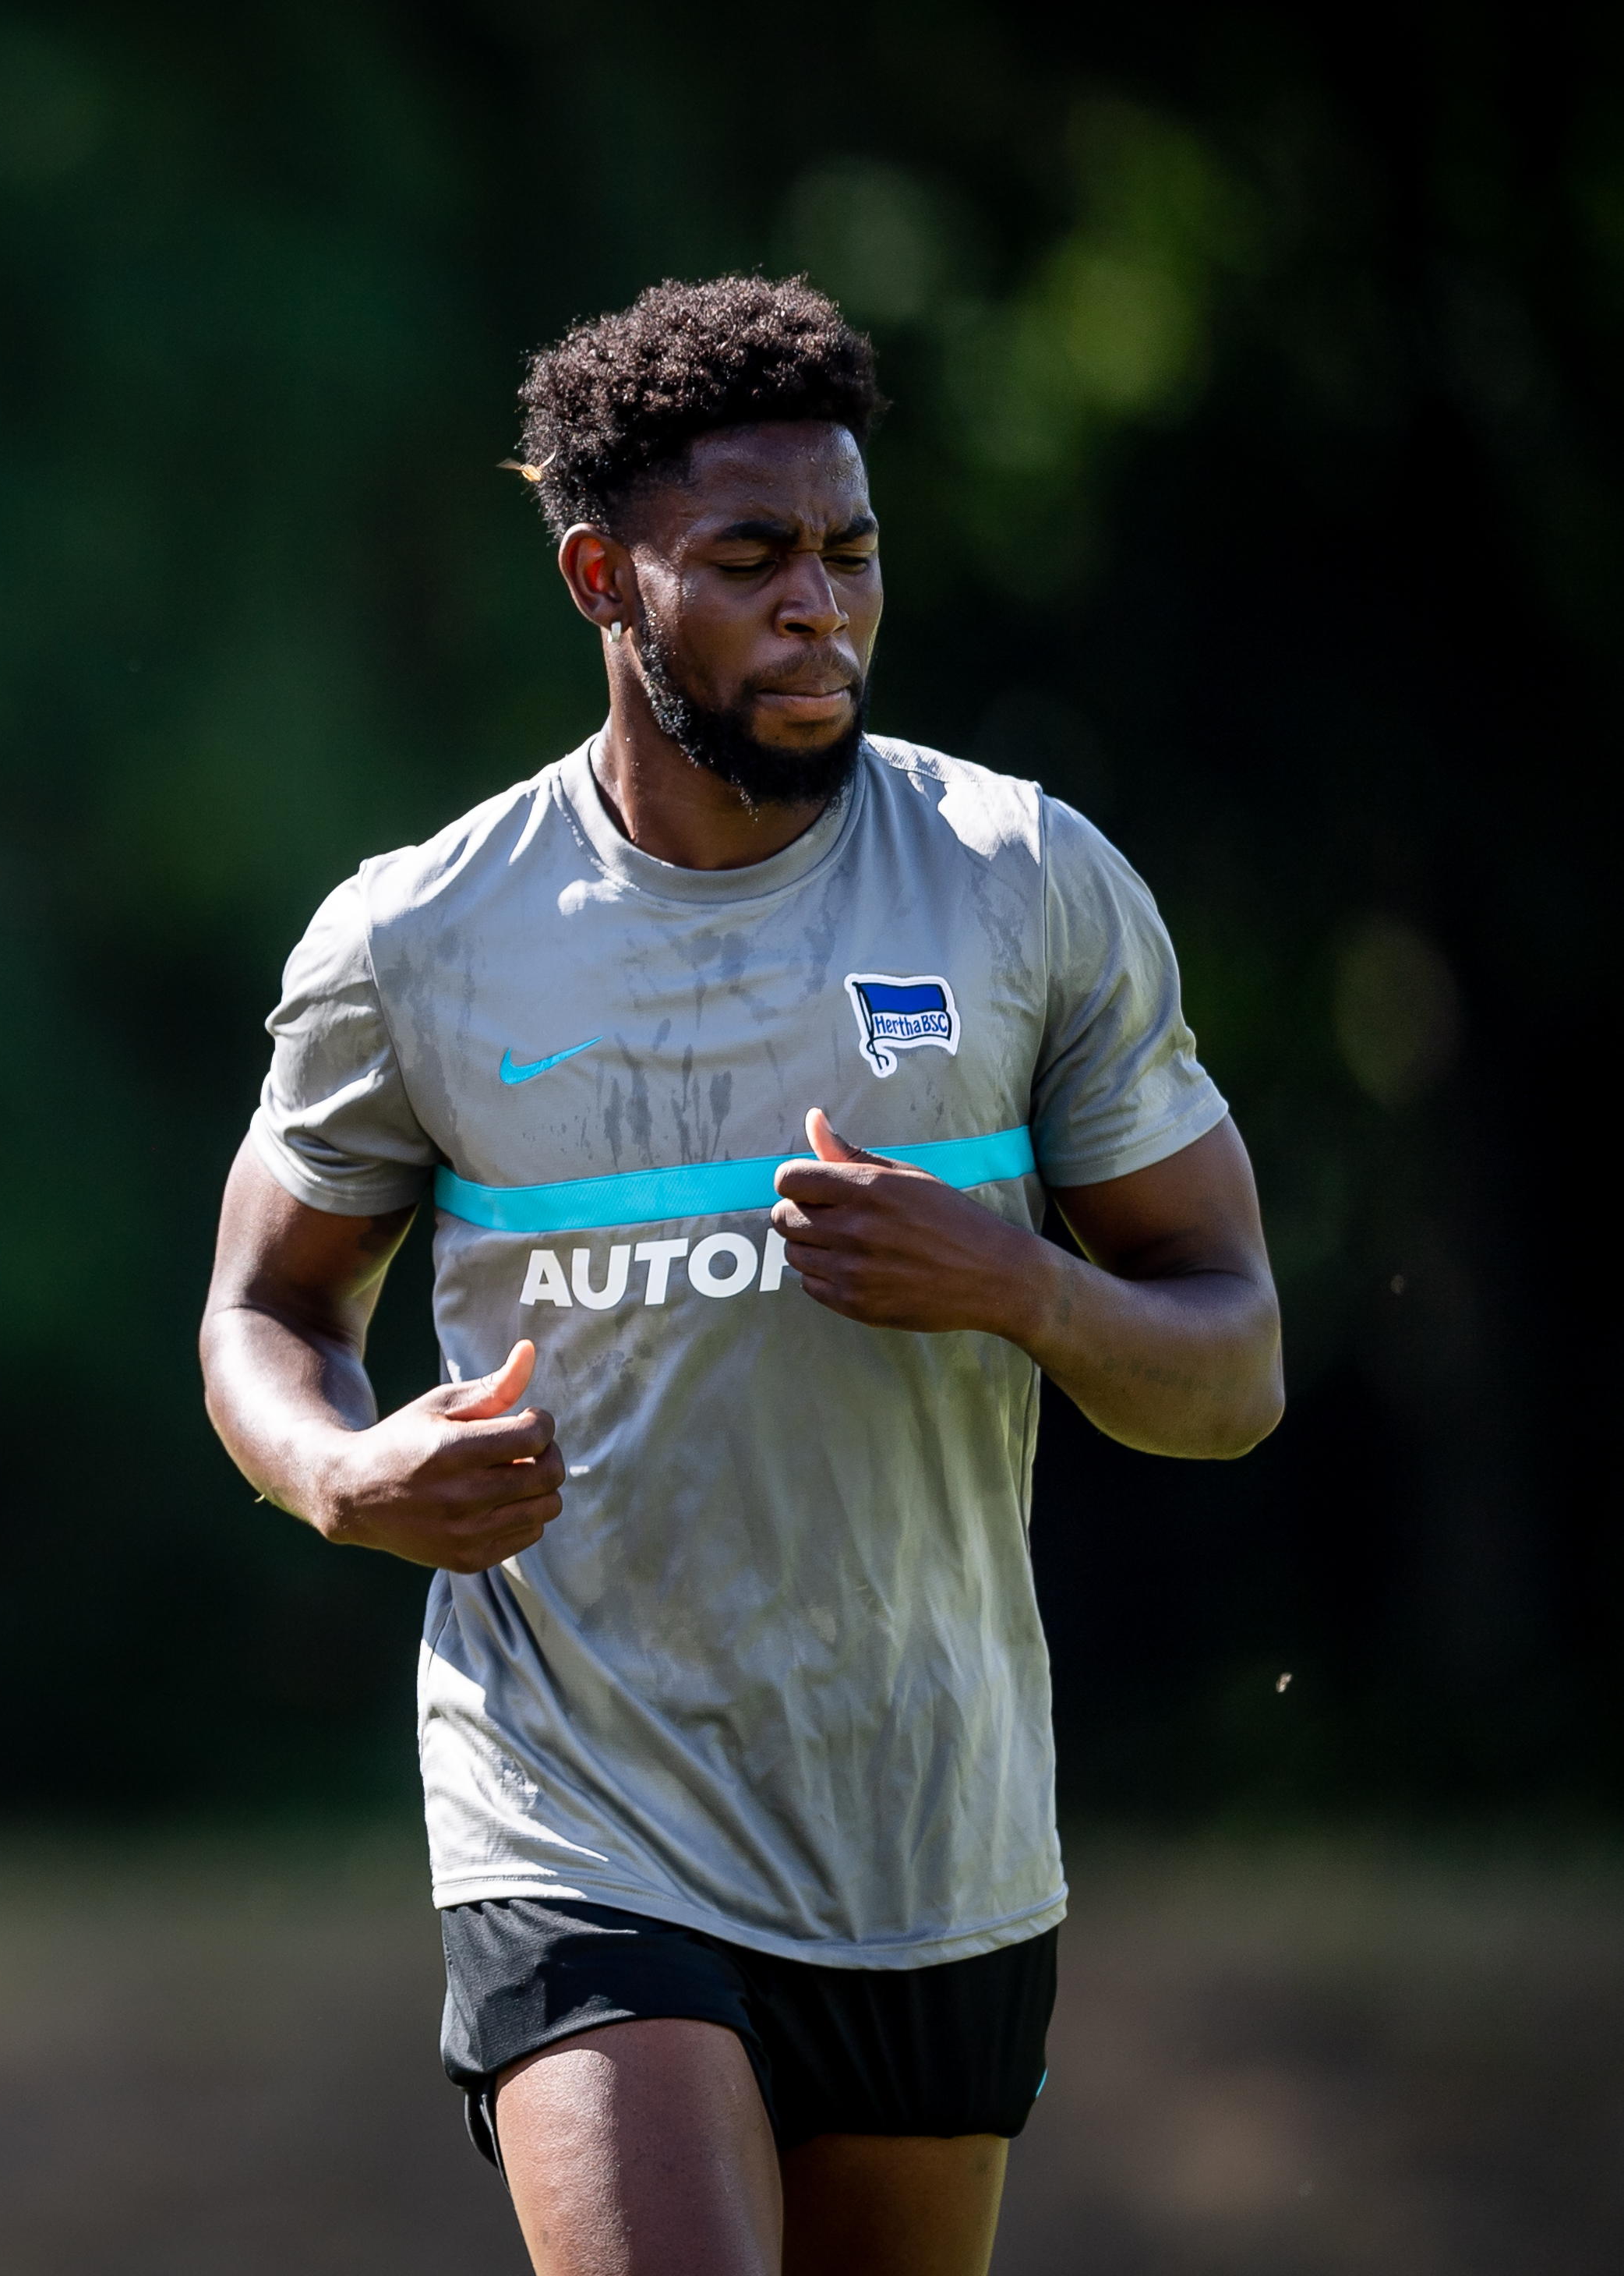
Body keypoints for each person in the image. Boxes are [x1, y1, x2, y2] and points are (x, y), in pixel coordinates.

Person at [196, 278, 1283, 2276]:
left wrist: (1023, 1287)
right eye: (755, 557)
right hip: (579, 1808)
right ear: (602, 573)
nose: (823, 608)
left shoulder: (1021, 879)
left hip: (927, 1832)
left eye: (853, 553)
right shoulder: (421, 935)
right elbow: (266, 1312)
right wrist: (344, 1476)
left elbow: (1231, 1367)